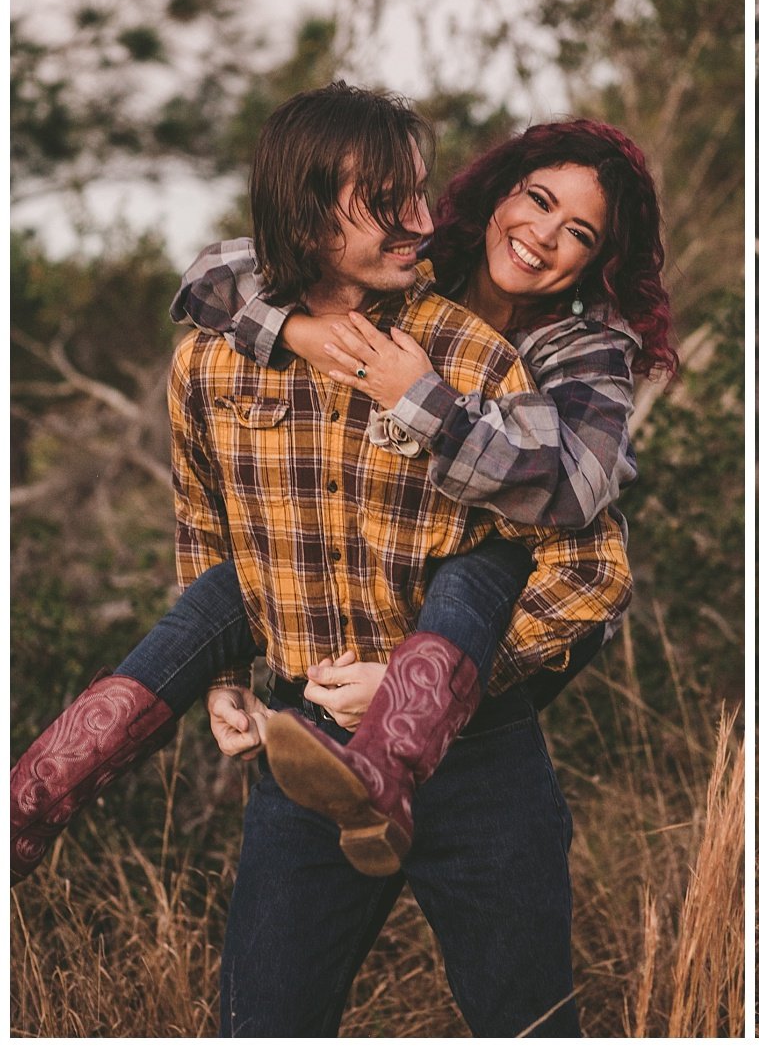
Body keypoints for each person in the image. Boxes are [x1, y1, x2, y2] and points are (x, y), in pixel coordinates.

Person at [9, 84, 663, 1036]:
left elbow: (578, 529)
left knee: (476, 565)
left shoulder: (523, 357)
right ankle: (43, 785)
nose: (544, 234)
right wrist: (302, 334)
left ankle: (403, 733)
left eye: (581, 233)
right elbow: (208, 511)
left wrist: (424, 401)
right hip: (307, 736)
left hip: (475, 750)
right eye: (536, 199)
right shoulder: (230, 350)